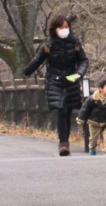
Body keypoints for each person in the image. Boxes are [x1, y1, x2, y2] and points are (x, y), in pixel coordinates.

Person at [22, 14, 89, 156]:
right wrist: (26, 72)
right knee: (61, 108)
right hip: (54, 80)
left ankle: (65, 141)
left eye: (66, 27)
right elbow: (37, 60)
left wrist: (79, 74)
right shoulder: (48, 45)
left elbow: (83, 61)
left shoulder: (75, 43)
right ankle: (63, 144)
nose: (64, 29)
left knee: (69, 110)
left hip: (71, 79)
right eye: (61, 27)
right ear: (55, 29)